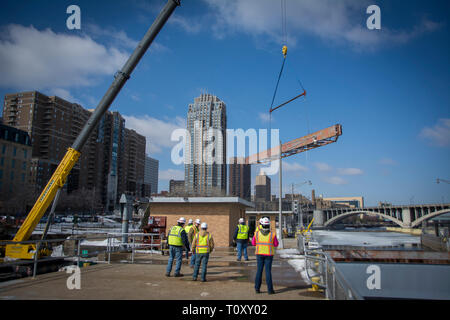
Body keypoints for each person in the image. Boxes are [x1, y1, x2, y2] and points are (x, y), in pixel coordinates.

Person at [252, 217, 278, 294]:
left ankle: (257, 288)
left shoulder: (256, 234)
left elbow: (253, 243)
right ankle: (270, 290)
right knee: (268, 272)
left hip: (259, 254)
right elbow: (276, 244)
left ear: (261, 225)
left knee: (259, 271)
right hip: (269, 255)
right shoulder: (272, 235)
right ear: (268, 225)